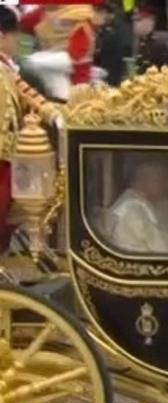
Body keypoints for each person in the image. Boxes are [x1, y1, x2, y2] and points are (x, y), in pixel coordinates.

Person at [0, 5, 61, 251]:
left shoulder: (8, 69)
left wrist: (54, 114)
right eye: (15, 36)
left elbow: (27, 94)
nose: (18, 41)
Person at [104, 163, 168, 255]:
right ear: (142, 182)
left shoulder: (144, 205)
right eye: (158, 180)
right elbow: (162, 250)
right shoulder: (131, 210)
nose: (163, 185)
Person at [21, 5, 99, 101]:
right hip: (56, 70)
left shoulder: (82, 18)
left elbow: (76, 58)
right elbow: (25, 23)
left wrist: (35, 61)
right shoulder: (48, 12)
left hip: (76, 73)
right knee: (60, 99)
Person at [92, 2, 126, 87]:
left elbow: (116, 66)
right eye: (94, 11)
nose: (94, 14)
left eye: (99, 12)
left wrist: (109, 83)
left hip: (104, 82)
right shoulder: (90, 31)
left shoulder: (111, 36)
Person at [133, 7, 168, 76]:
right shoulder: (140, 43)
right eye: (134, 20)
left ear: (151, 22)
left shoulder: (160, 47)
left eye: (138, 20)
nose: (135, 24)